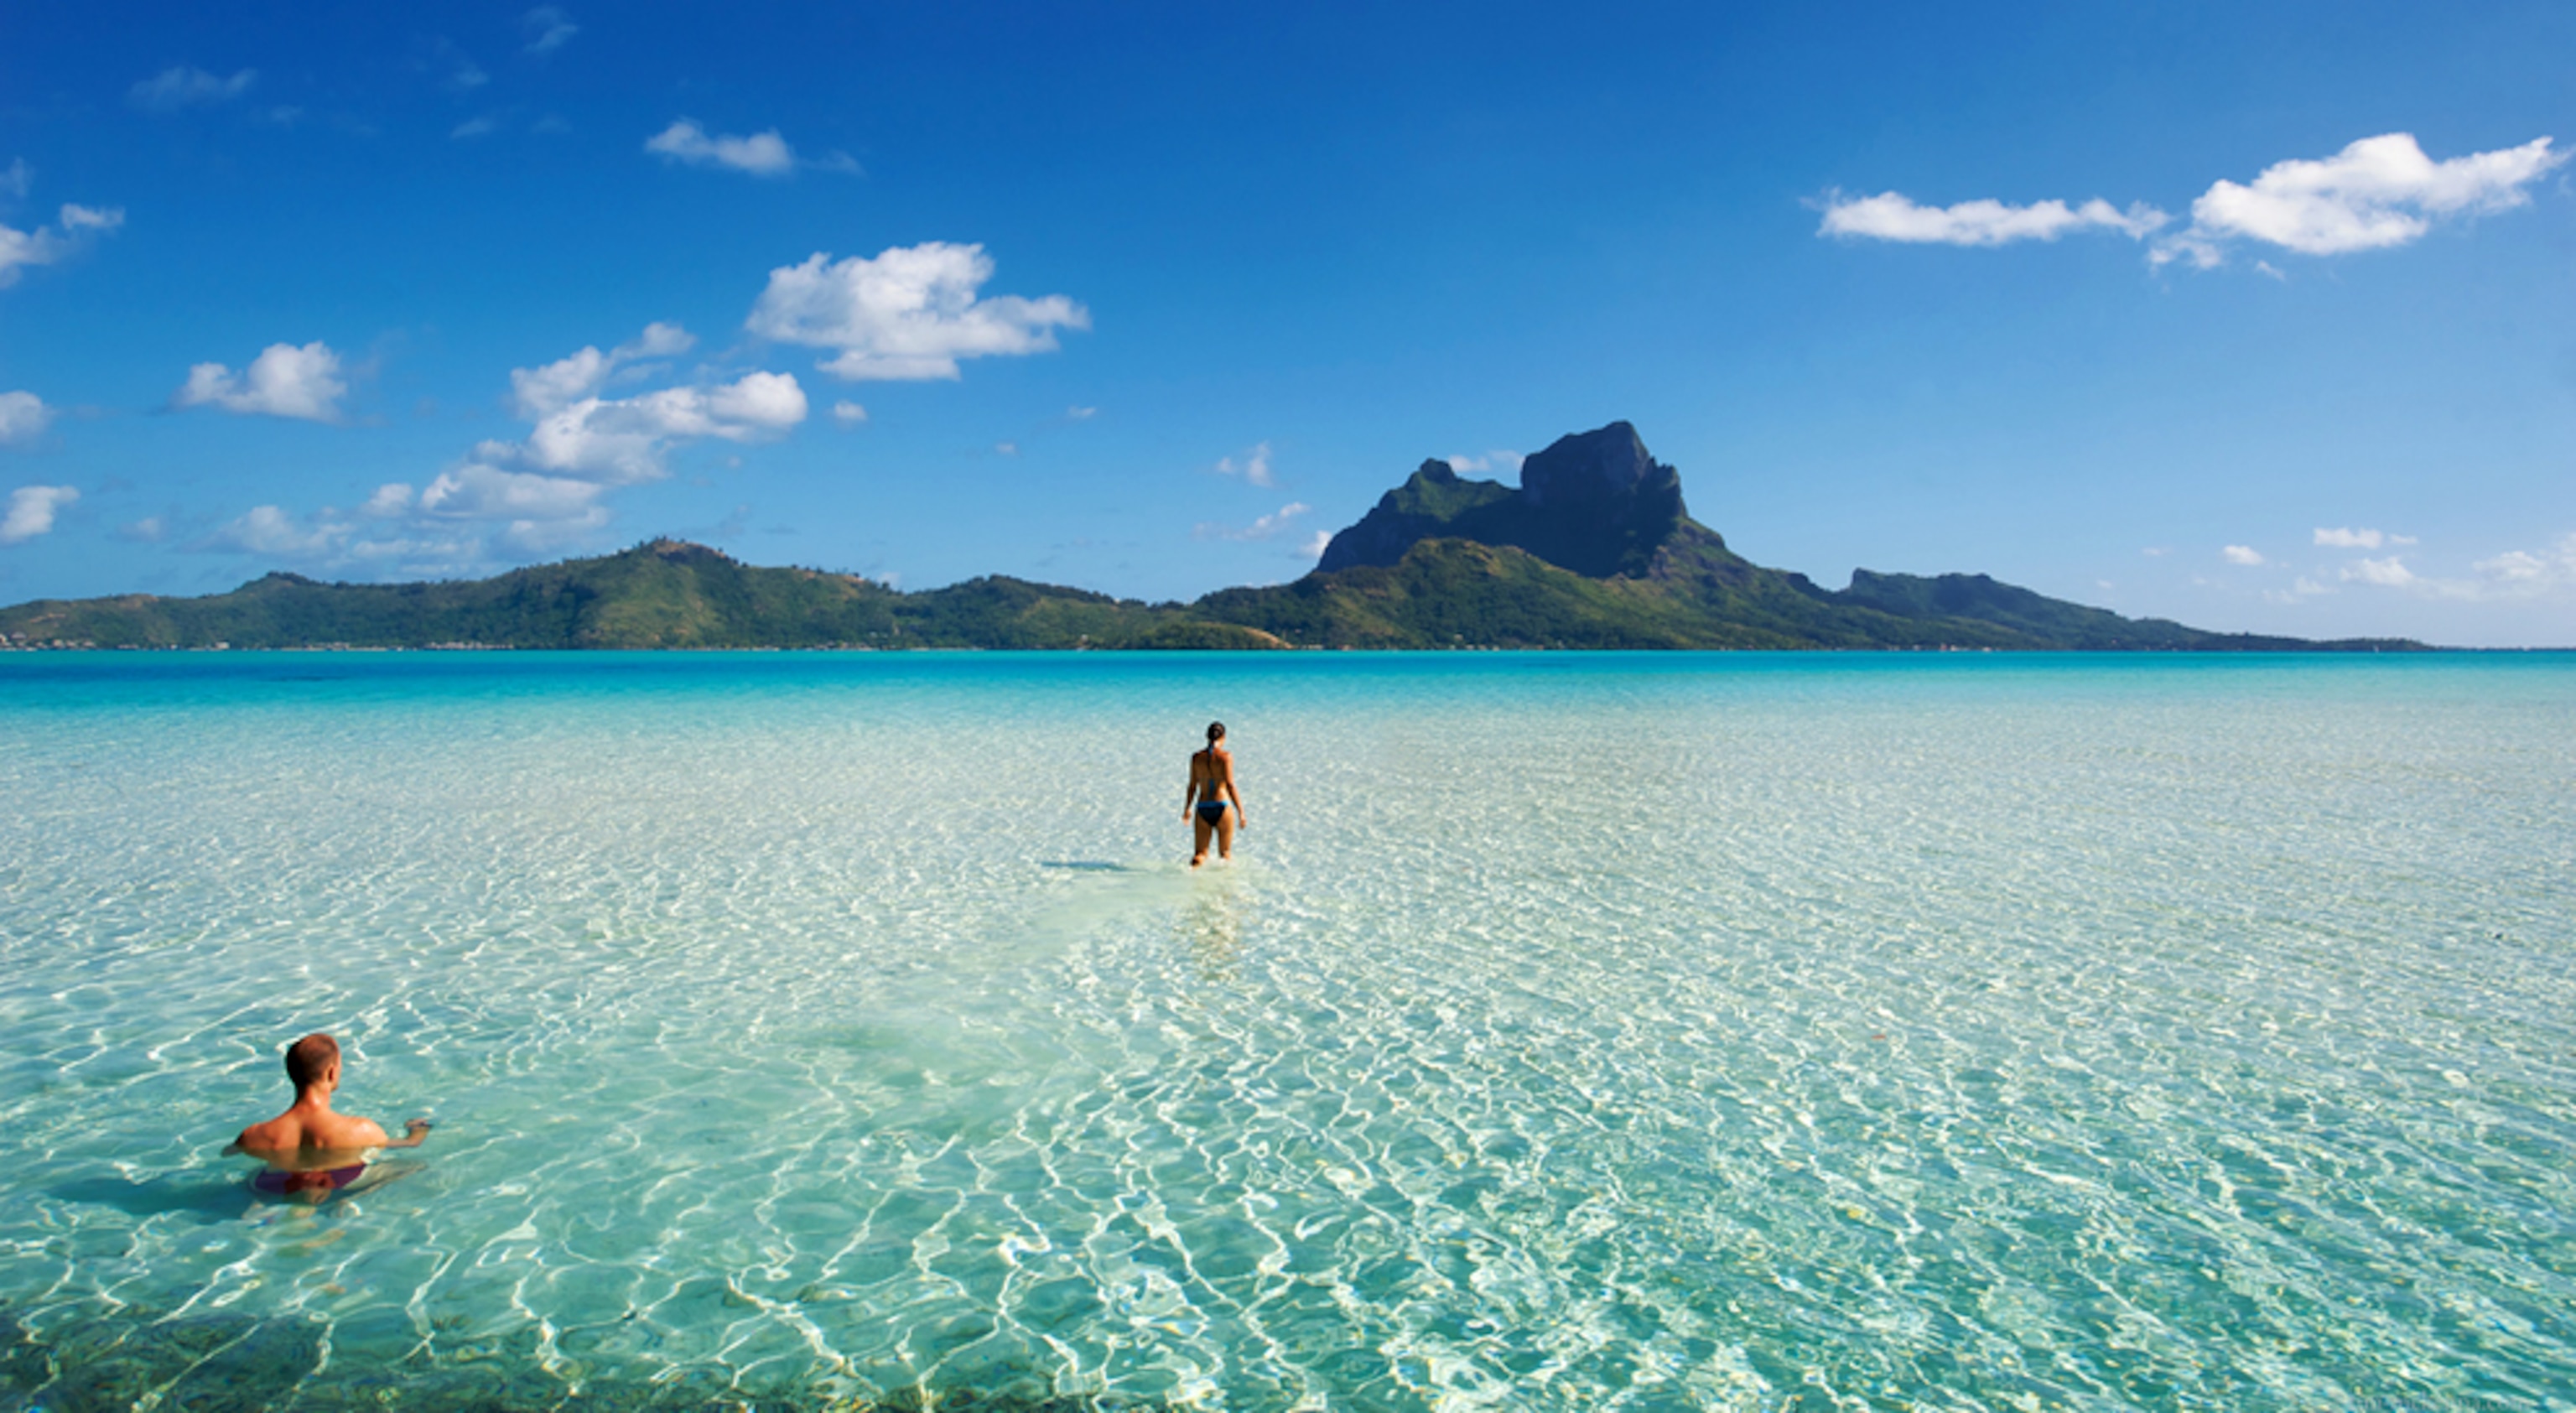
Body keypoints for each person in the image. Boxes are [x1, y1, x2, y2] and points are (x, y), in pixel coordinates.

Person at [233, 1033, 430, 1199]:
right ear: (331, 1072)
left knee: (256, 1174)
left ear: (291, 1073)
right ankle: (343, 1201)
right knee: (413, 1166)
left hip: (275, 1187)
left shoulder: (253, 1136)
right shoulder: (362, 1130)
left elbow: (229, 1153)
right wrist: (418, 1128)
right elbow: (411, 1144)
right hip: (340, 1184)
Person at [1184, 720, 1246, 867]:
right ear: (1223, 737)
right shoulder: (1225, 757)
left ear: (1207, 736)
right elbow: (1230, 785)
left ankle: (1192, 878)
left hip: (1202, 806)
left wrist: (1187, 808)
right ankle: (1226, 887)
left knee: (1200, 854)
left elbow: (1192, 785)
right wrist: (1241, 812)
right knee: (1225, 853)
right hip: (1222, 806)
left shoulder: (1196, 757)